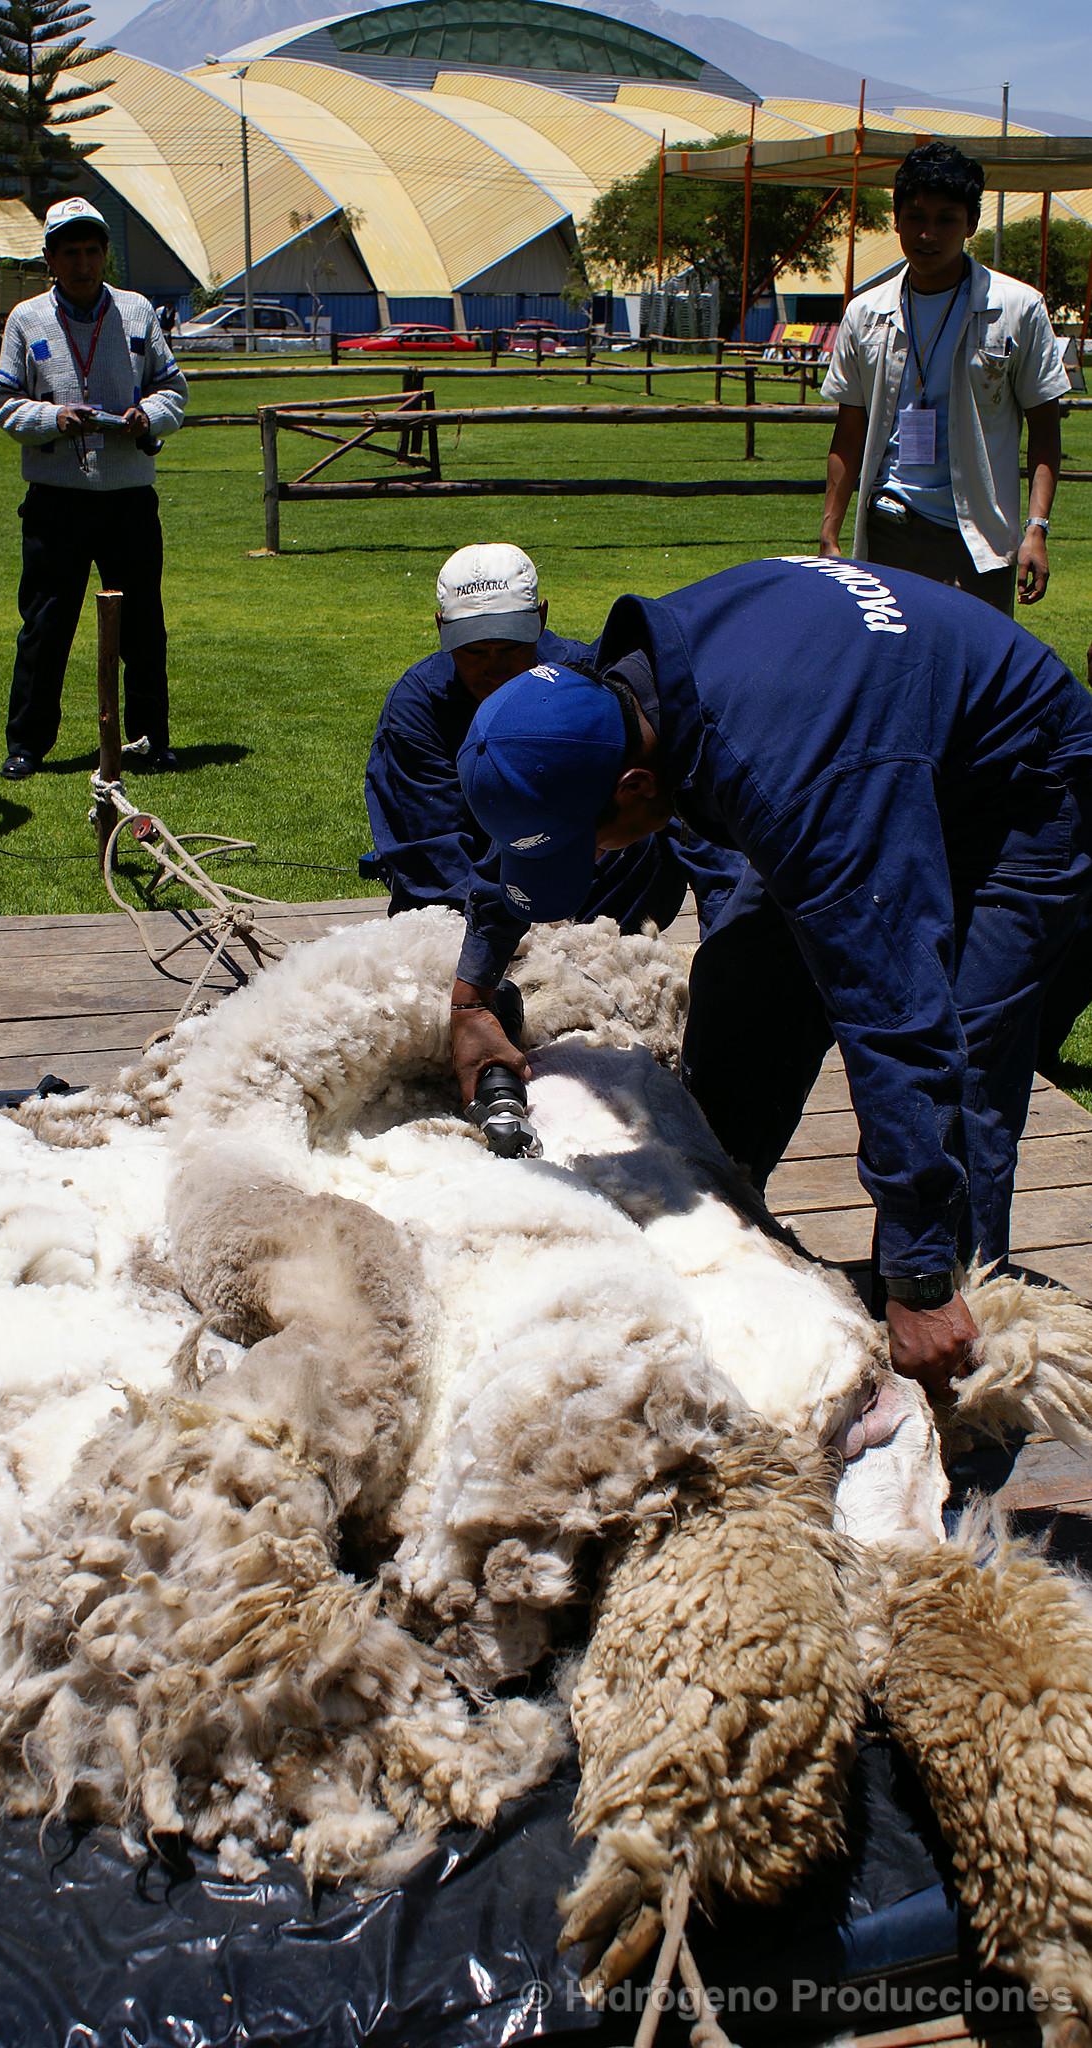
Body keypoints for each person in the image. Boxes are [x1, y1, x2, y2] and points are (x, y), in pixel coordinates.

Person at [448, 555, 1092, 1401]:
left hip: (1015, 786)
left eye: (592, 843)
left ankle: (957, 1344)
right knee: (744, 989)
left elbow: (892, 1011)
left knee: (964, 1050)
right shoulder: (585, 697)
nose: (594, 861)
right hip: (864, 732)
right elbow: (525, 827)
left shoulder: (795, 785)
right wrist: (472, 991)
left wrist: (918, 1276)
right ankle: (718, 1237)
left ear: (638, 786)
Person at [363, 542, 742, 950]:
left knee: (642, 835)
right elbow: (430, 855)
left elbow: (688, 803)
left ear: (541, 618)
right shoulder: (417, 708)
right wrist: (491, 946)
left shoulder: (593, 682)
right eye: (473, 651)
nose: (494, 666)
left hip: (588, 879)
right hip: (471, 891)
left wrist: (727, 942)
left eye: (511, 646)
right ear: (440, 628)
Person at [820, 141, 1068, 614]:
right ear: (896, 220)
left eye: (946, 219)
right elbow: (848, 432)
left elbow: (1045, 431)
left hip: (980, 540)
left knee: (977, 677)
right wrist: (829, 530)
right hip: (890, 528)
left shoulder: (1017, 308)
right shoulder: (864, 312)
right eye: (915, 218)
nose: (927, 234)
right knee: (893, 673)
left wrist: (1036, 528)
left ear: (971, 224)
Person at [0, 197, 189, 780]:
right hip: (57, 500)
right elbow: (3, 403)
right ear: (50, 258)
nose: (83, 263)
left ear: (105, 254)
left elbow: (173, 389)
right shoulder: (26, 319)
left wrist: (148, 416)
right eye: (70, 252)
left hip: (128, 497)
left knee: (143, 624)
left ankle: (151, 739)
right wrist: (53, 419)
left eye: (92, 250)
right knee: (46, 624)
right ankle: (27, 745)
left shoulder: (136, 311)